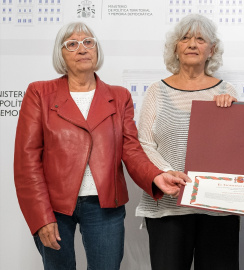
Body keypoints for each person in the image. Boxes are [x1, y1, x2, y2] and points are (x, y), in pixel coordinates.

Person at [13, 22, 187, 270]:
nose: (82, 48)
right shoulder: (39, 93)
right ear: (60, 54)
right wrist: (41, 217)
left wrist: (156, 176)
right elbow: (26, 161)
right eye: (71, 44)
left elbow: (131, 149)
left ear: (97, 49)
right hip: (53, 206)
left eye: (88, 42)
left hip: (105, 205)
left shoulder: (119, 96)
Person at [135, 14, 239, 270]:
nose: (192, 44)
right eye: (185, 38)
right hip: (168, 207)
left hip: (217, 207)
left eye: (200, 39)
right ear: (175, 48)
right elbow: (144, 144)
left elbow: (237, 149)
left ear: (211, 50)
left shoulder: (227, 92)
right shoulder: (155, 91)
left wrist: (232, 116)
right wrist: (168, 172)